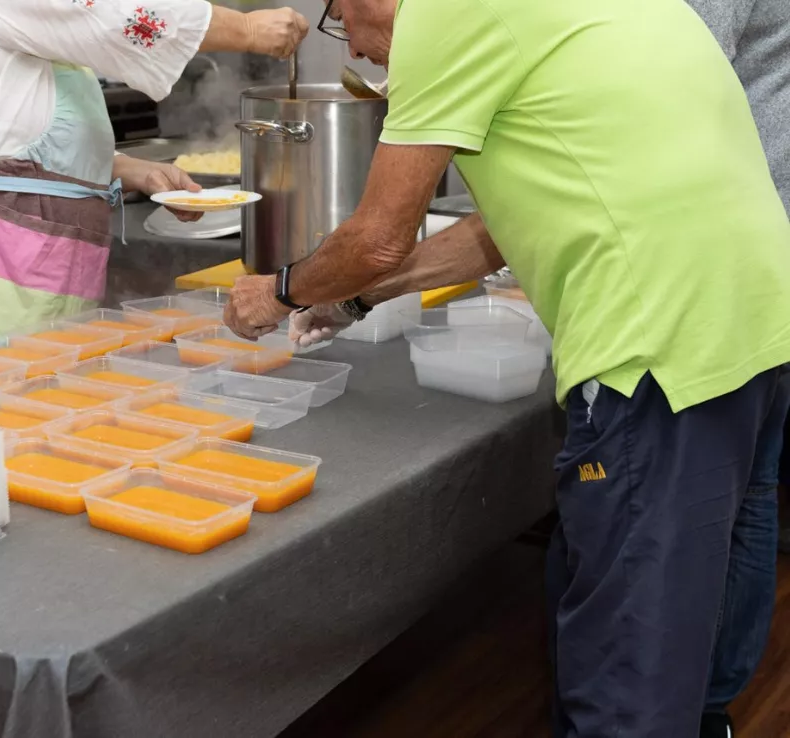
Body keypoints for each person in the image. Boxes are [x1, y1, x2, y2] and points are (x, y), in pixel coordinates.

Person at [223, 0, 790, 735]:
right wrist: (356, 299)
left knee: (630, 651)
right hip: (750, 321)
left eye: (340, 23)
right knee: (689, 593)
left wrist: (279, 291)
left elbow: (378, 237)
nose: (358, 50)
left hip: (656, 349)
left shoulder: (442, 16)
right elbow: (492, 235)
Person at [0, 0, 309, 368]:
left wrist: (125, 167)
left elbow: (4, 128)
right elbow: (122, 18)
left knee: (10, 427)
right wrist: (247, 30)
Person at [683, 1, 790, 735]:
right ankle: (712, 701)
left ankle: (700, 700)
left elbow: (675, 65)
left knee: (729, 494)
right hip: (766, 228)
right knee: (754, 488)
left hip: (739, 241)